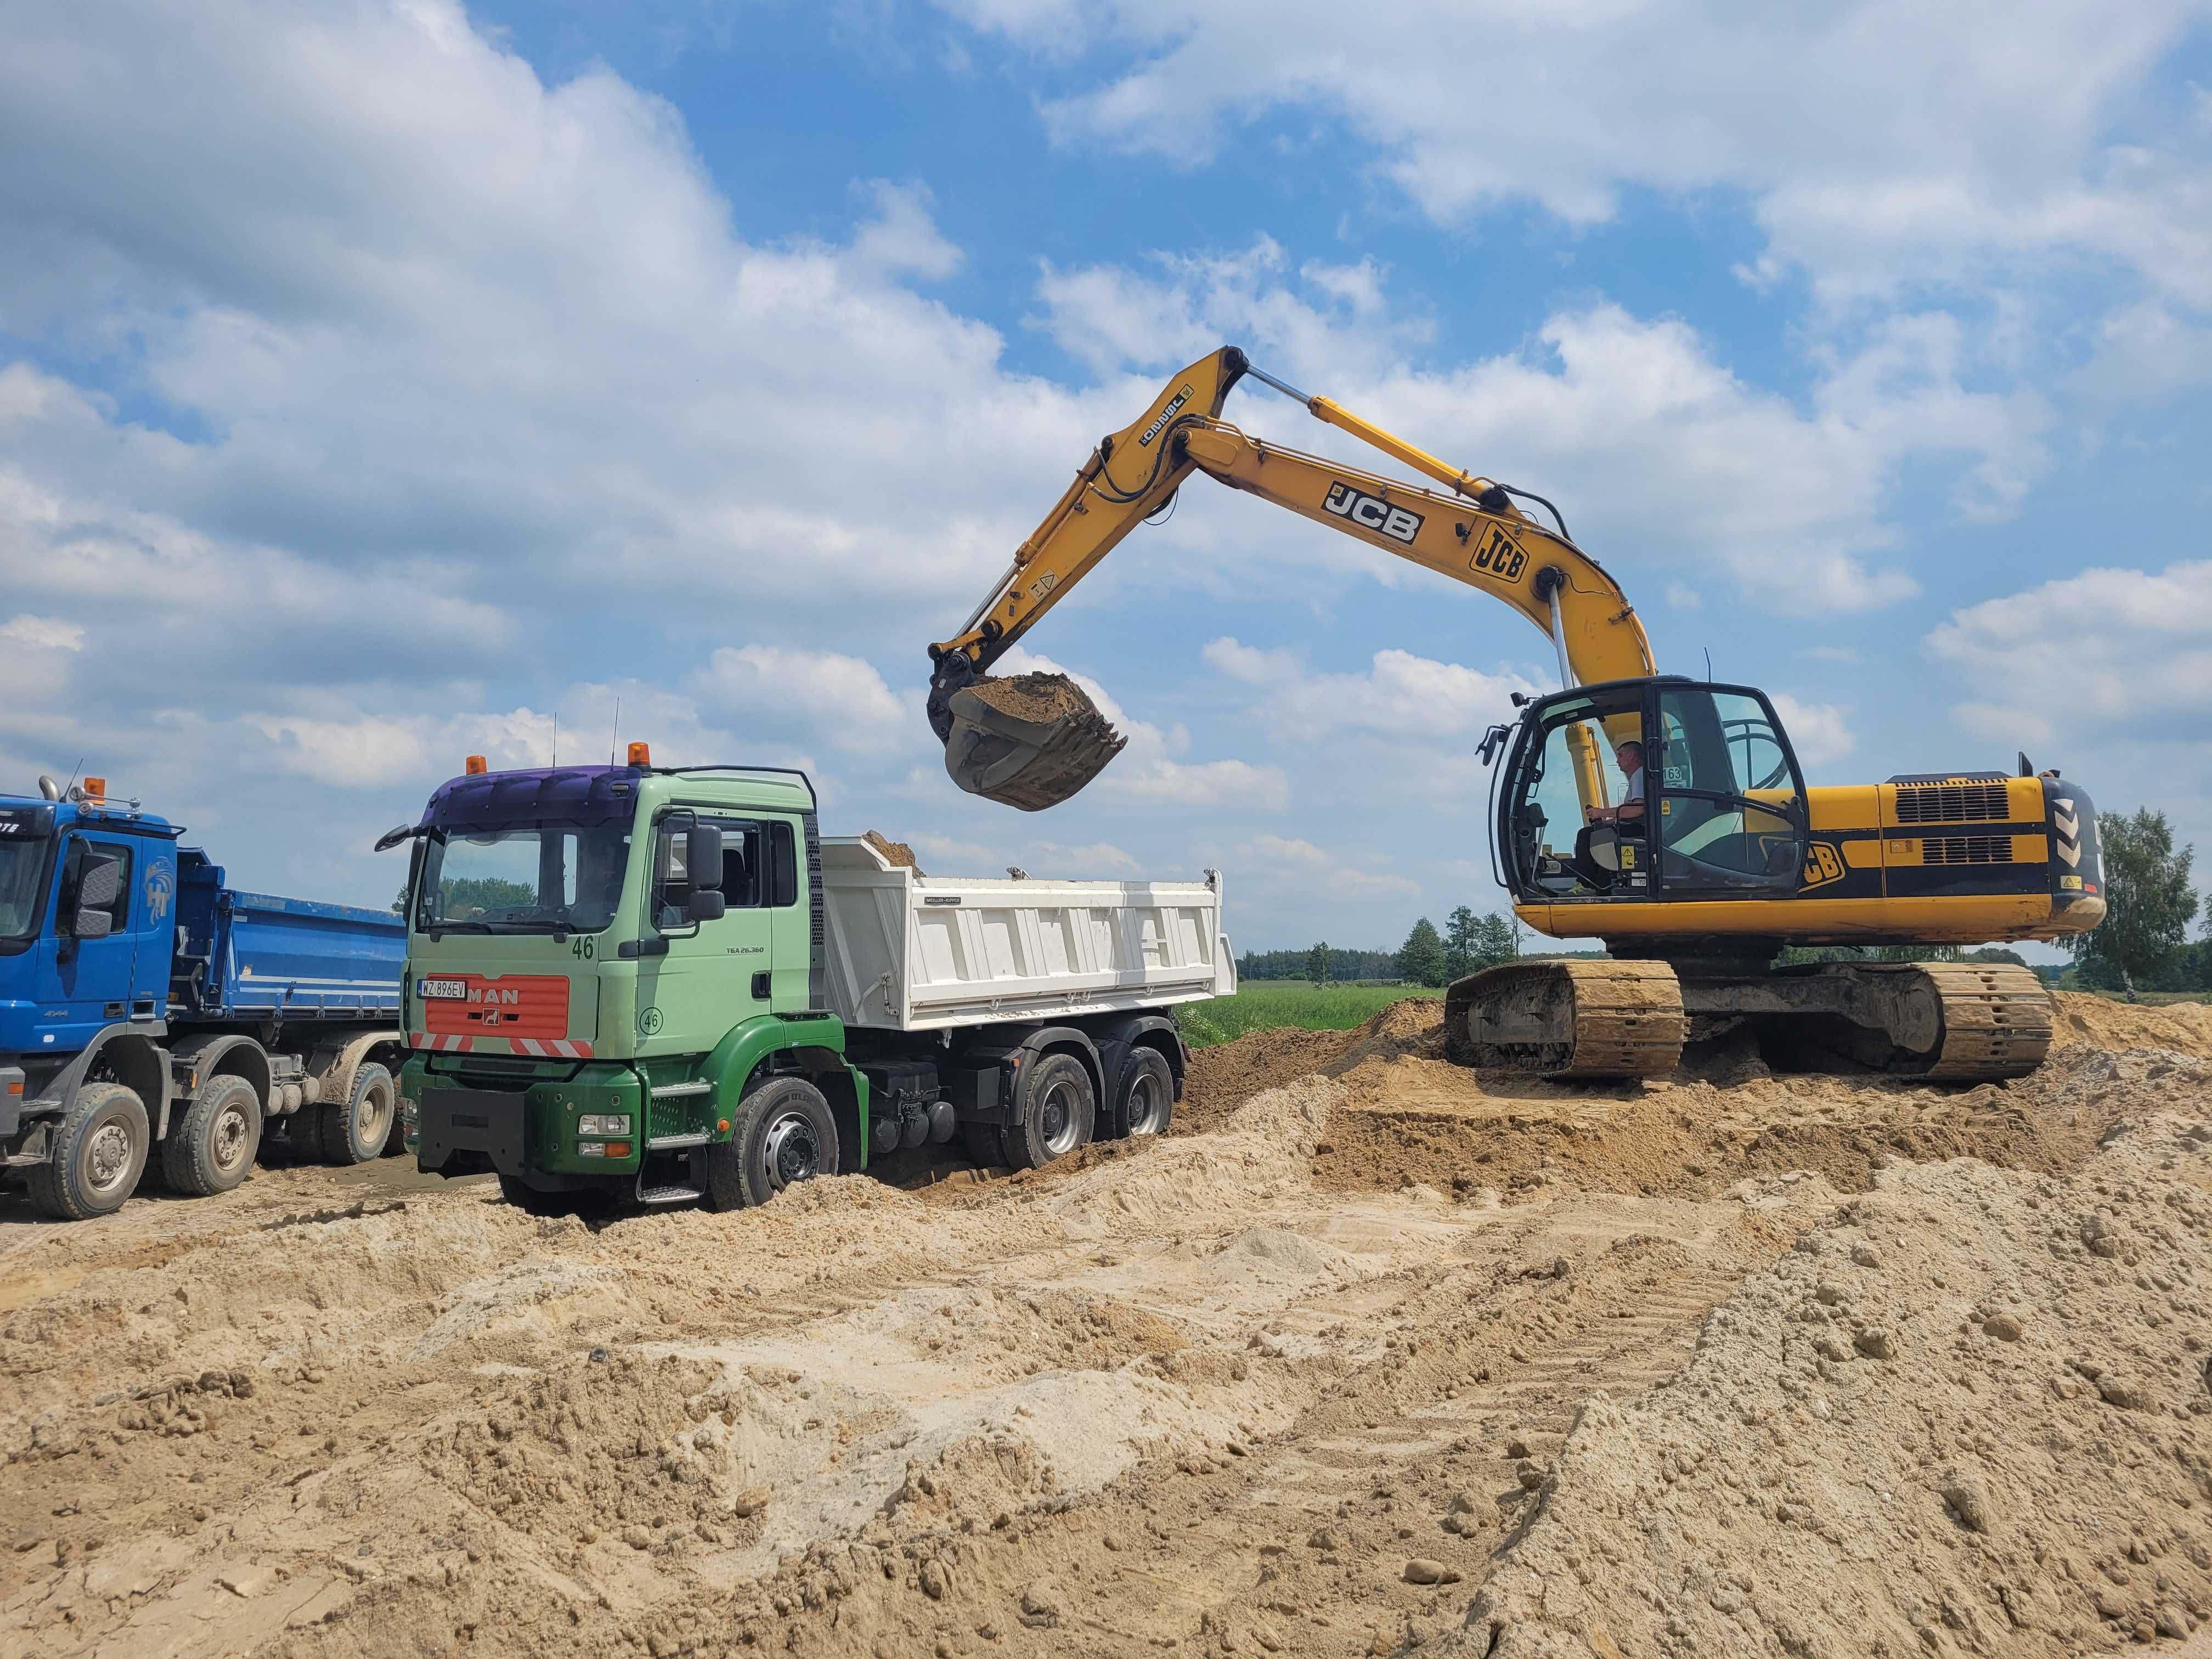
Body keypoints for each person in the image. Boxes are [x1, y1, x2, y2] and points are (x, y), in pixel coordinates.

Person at [1588, 740, 1646, 826]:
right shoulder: (1639, 775)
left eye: (1620, 756)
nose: (1617, 761)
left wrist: (1602, 813)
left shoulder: (1639, 774)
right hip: (1637, 828)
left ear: (1631, 755)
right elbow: (1628, 816)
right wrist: (1605, 823)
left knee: (1586, 834)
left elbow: (1637, 810)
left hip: (1640, 831)